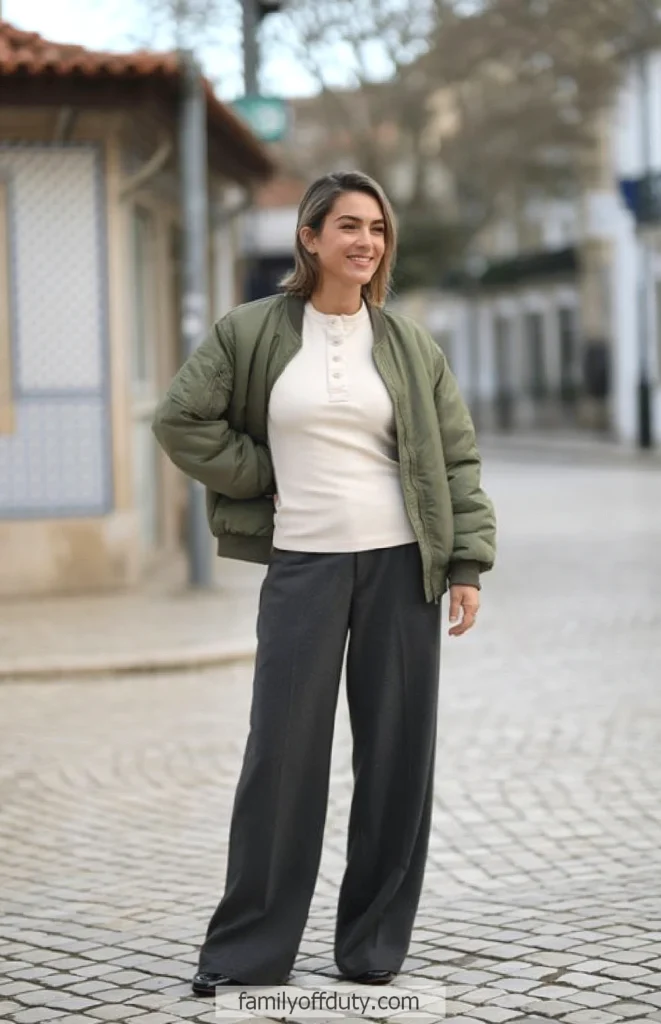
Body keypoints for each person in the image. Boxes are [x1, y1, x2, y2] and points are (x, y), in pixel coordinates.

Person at [152, 170, 496, 997]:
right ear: (309, 237)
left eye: (376, 228)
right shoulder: (250, 331)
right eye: (347, 225)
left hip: (402, 565)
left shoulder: (409, 345)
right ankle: (247, 951)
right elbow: (180, 419)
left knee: (397, 757)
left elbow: (455, 458)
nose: (364, 241)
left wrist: (466, 563)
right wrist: (261, 476)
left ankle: (372, 944)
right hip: (303, 564)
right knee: (281, 756)